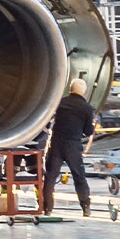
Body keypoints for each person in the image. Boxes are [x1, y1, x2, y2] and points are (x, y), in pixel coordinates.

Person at [42, 78, 96, 217]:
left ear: (70, 89)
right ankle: (85, 207)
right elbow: (88, 131)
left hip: (56, 143)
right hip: (73, 145)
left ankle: (47, 208)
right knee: (79, 176)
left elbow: (49, 119)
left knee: (50, 177)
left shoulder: (60, 103)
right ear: (84, 91)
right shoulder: (86, 108)